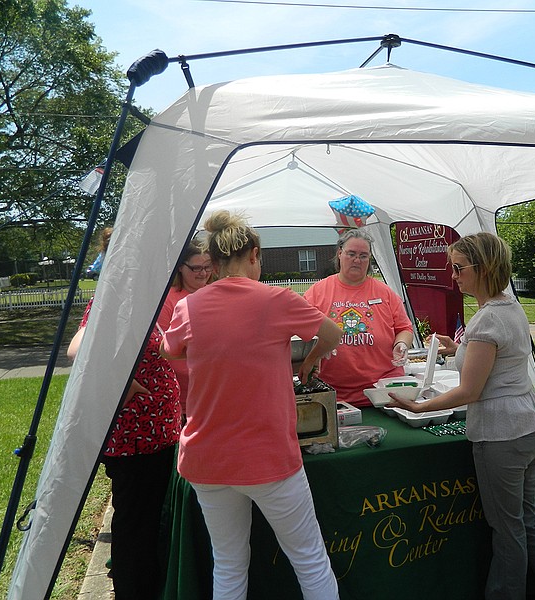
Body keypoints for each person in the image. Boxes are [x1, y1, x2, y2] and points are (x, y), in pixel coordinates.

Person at [388, 232, 535, 600]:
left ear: (484, 268)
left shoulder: (485, 321)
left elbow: (469, 392)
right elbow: (497, 359)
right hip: (532, 425)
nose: (454, 276)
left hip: (502, 435)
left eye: (459, 268)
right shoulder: (509, 306)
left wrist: (416, 406)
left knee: (508, 531)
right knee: (529, 520)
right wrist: (458, 346)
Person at [162, 210, 342, 600]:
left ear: (212, 262)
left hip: (207, 459)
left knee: (227, 563)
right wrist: (308, 361)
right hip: (268, 457)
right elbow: (332, 333)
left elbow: (168, 348)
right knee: (310, 560)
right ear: (254, 254)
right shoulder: (276, 298)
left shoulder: (188, 307)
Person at [68, 226, 181, 600]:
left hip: (156, 436)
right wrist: (120, 381)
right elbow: (77, 350)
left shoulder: (139, 296)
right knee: (135, 523)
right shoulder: (112, 298)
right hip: (136, 441)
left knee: (147, 521)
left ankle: (146, 586)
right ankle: (134, 592)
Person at [304, 228, 413, 407]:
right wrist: (316, 348)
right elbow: (301, 332)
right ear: (340, 253)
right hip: (333, 393)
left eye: (363, 255)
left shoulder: (385, 292)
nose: (357, 260)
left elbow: (404, 328)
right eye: (351, 254)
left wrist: (401, 344)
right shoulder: (317, 292)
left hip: (382, 391)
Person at [158, 241, 213, 417]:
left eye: (208, 267)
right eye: (196, 268)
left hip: (214, 389)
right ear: (181, 267)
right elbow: (162, 347)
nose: (203, 273)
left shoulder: (215, 294)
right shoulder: (168, 300)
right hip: (182, 393)